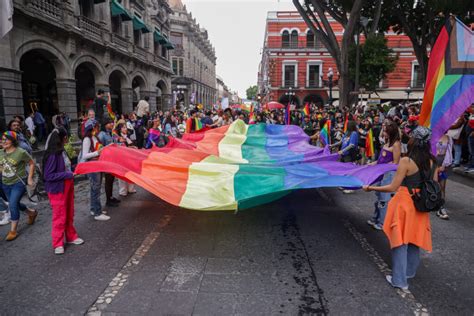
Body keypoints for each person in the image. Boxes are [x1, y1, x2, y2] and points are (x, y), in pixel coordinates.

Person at [363, 126, 436, 290]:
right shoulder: (433, 162)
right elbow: (434, 185)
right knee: (414, 239)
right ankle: (409, 272)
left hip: (405, 204)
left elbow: (392, 187)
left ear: (414, 141)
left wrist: (371, 188)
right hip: (421, 205)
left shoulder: (406, 161)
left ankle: (399, 280)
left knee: (399, 242)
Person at [43, 127, 84, 254]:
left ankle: (71, 237)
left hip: (66, 185)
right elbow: (48, 176)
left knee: (69, 212)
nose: (67, 139)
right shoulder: (53, 154)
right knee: (60, 216)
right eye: (65, 137)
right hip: (57, 189)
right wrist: (68, 174)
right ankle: (58, 243)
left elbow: (65, 167)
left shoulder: (61, 151)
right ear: (61, 138)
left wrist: (74, 168)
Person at [0, 131, 38, 241]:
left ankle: (13, 231)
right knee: (14, 203)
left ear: (13, 141)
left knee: (12, 205)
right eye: (3, 139)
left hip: (18, 183)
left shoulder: (20, 152)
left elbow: (31, 163)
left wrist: (30, 178)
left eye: (6, 139)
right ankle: (31, 213)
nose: (4, 141)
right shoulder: (1, 153)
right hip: (5, 183)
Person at [367, 122, 401, 230]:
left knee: (384, 199)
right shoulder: (387, 142)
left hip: (388, 174)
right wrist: (371, 165)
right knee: (379, 197)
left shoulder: (396, 144)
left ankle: (382, 222)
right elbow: (380, 160)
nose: (384, 133)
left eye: (386, 131)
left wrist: (381, 167)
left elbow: (395, 163)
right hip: (381, 172)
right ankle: (376, 217)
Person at [80, 120, 110, 221]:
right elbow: (84, 155)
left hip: (97, 165)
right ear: (92, 128)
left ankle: (94, 208)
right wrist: (97, 152)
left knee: (96, 189)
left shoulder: (95, 137)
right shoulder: (87, 139)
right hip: (92, 166)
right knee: (95, 189)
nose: (98, 129)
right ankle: (97, 212)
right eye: (96, 127)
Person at [98, 118, 121, 208]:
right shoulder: (102, 135)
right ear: (105, 124)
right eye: (109, 123)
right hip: (106, 161)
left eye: (112, 122)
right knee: (108, 180)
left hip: (113, 160)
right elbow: (100, 148)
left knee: (111, 179)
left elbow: (114, 145)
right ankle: (108, 200)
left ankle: (111, 197)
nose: (112, 124)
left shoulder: (111, 133)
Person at [113, 123, 137, 197]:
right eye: (123, 128)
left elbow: (129, 145)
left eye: (125, 127)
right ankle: (123, 190)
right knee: (122, 175)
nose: (125, 129)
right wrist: (131, 148)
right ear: (120, 129)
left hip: (129, 157)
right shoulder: (118, 137)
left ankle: (131, 188)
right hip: (121, 158)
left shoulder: (127, 136)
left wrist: (132, 147)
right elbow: (120, 148)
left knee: (130, 173)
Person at [435, 133, 452, 220]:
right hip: (434, 161)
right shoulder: (433, 135)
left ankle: (441, 206)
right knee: (434, 183)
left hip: (444, 162)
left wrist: (444, 165)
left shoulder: (449, 138)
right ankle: (433, 201)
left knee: (442, 186)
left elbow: (449, 152)